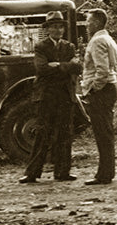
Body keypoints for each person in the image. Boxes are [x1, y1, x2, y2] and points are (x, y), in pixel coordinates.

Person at [21, 11, 82, 183]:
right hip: (46, 96)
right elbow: (41, 69)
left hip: (64, 96)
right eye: (54, 26)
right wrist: (66, 67)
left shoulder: (69, 47)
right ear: (48, 29)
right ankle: (32, 173)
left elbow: (78, 68)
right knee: (43, 133)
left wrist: (57, 66)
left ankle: (62, 172)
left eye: (60, 26)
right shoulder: (41, 47)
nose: (58, 30)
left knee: (65, 134)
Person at [81, 9, 117, 185]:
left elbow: (102, 71)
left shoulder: (97, 41)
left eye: (88, 21)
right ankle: (106, 172)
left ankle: (104, 175)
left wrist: (92, 89)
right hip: (109, 88)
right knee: (105, 132)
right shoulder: (108, 39)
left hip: (102, 90)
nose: (86, 25)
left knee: (103, 133)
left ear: (96, 23)